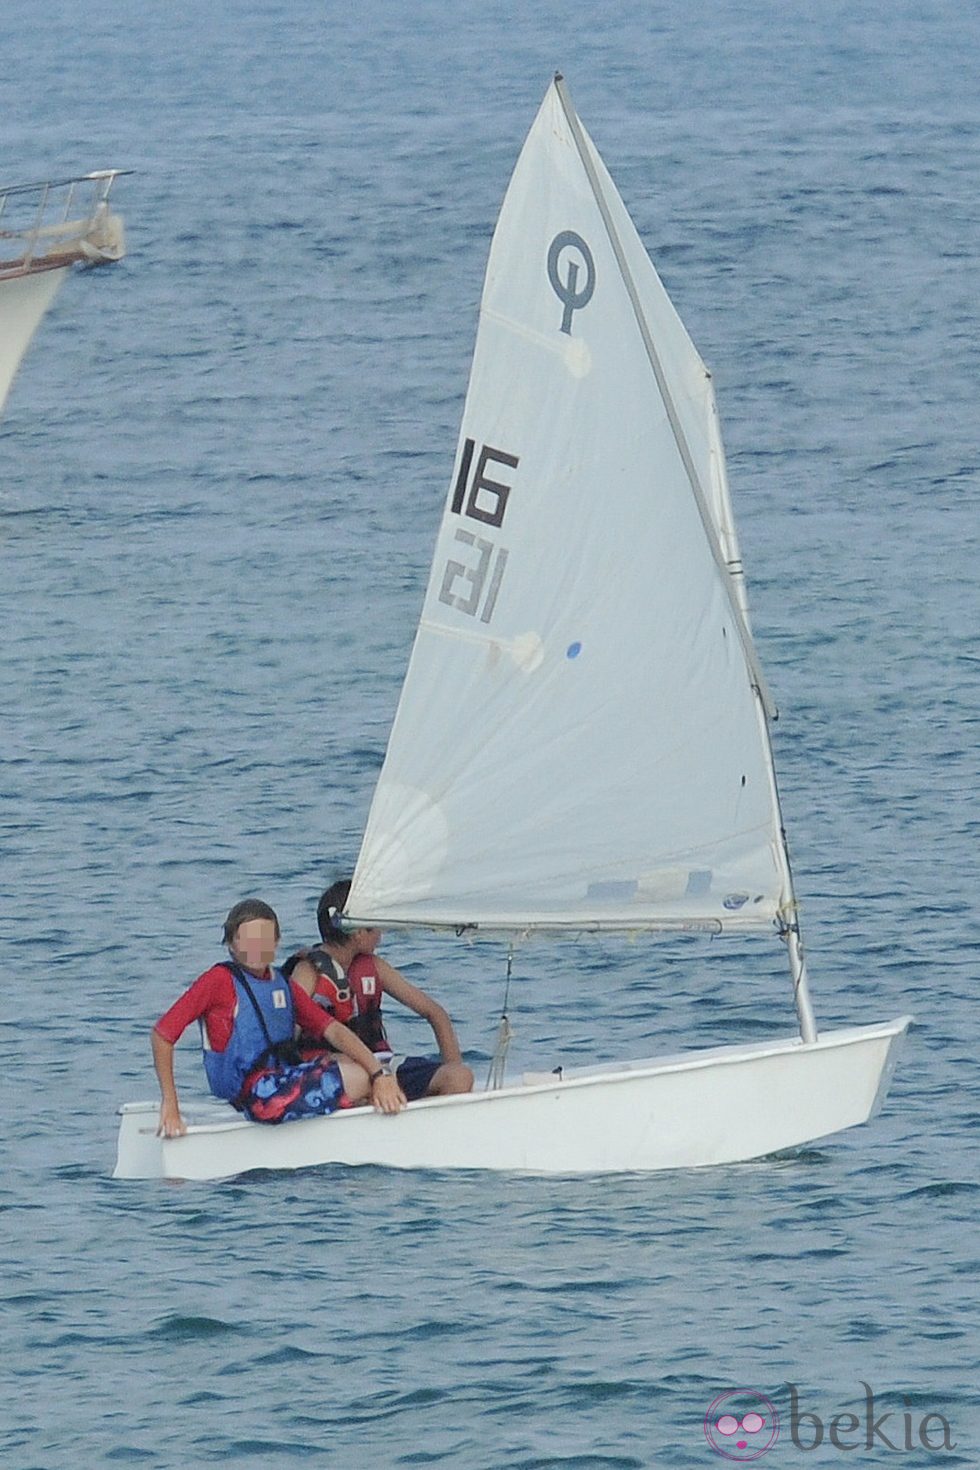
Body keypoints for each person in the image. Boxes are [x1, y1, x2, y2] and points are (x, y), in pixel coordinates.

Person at [152, 898, 406, 1138]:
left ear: (276, 942)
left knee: (362, 1066)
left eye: (264, 939)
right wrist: (171, 1104)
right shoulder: (218, 981)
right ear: (231, 943)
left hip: (281, 1079)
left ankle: (364, 1117)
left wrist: (378, 1073)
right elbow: (162, 1035)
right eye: (248, 940)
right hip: (255, 1096)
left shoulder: (281, 984)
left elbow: (334, 1031)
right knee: (361, 1078)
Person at [284, 878, 474, 1102]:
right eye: (375, 926)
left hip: (379, 1064)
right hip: (330, 1069)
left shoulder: (374, 967)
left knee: (459, 1077)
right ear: (358, 933)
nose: (380, 936)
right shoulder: (307, 972)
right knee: (355, 1074)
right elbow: (287, 1038)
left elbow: (436, 1014)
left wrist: (456, 1077)